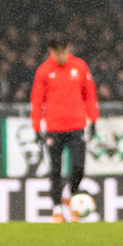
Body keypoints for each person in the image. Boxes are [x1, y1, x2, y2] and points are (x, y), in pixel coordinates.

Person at [30, 35, 99, 222]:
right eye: (58, 53)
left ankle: (71, 195)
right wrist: (36, 127)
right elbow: (37, 101)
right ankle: (57, 209)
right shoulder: (44, 71)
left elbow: (89, 94)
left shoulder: (79, 66)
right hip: (54, 129)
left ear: (68, 49)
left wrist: (93, 119)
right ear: (51, 51)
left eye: (64, 51)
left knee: (79, 167)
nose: (61, 56)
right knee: (55, 170)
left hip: (77, 126)